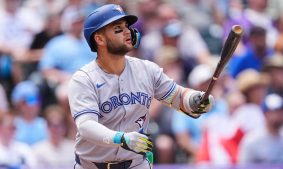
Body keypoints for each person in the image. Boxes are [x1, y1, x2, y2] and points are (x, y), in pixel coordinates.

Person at [68, 4, 214, 169]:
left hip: (137, 164)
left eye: (126, 27)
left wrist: (195, 99)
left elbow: (177, 97)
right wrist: (121, 138)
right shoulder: (84, 79)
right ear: (100, 39)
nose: (127, 32)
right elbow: (86, 126)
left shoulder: (147, 69)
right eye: (118, 29)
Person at [239, 93, 283, 164]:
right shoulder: (253, 140)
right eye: (276, 111)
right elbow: (243, 166)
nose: (280, 114)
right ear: (265, 114)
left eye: (282, 110)